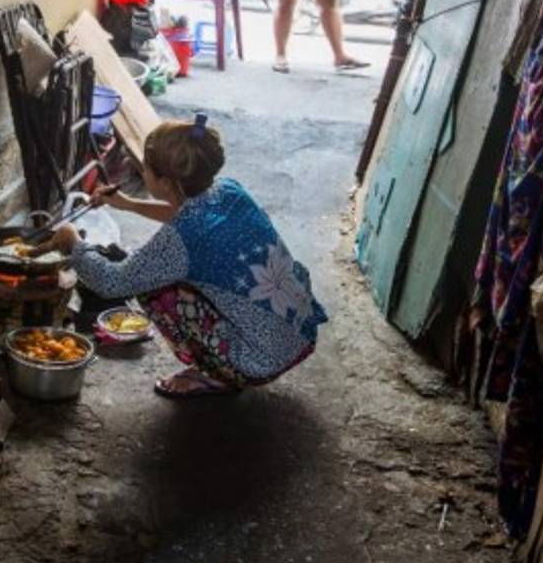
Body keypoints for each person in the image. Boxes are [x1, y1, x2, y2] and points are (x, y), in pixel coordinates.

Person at [36, 115, 327, 398]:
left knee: (151, 284)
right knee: (156, 268)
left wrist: (73, 241)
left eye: (145, 169)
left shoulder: (182, 240)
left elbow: (112, 282)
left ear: (163, 181)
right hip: (298, 337)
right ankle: (227, 362)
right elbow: (184, 212)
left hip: (257, 361)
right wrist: (126, 205)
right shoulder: (229, 190)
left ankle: (216, 375)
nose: (139, 171)